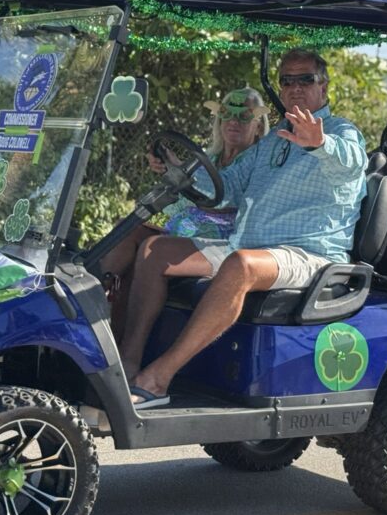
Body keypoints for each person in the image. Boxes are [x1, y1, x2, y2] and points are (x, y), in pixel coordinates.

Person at [120, 48, 368, 408]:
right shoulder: (271, 141)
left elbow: (350, 164)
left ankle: (158, 379)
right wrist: (178, 171)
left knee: (242, 265)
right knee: (154, 250)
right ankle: (128, 363)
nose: (295, 87)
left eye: (306, 80)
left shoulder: (341, 131)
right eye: (288, 81)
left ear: (324, 86)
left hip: (309, 253)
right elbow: (227, 186)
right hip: (250, 243)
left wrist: (320, 143)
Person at [99, 87, 269, 340]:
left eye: (245, 116)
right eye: (227, 114)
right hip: (185, 232)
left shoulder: (259, 161)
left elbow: (226, 200)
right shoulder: (208, 157)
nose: (234, 121)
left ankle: (129, 354)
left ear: (258, 125)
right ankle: (93, 305)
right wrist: (167, 169)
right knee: (128, 230)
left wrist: (183, 173)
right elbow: (178, 201)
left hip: (224, 242)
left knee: (153, 248)